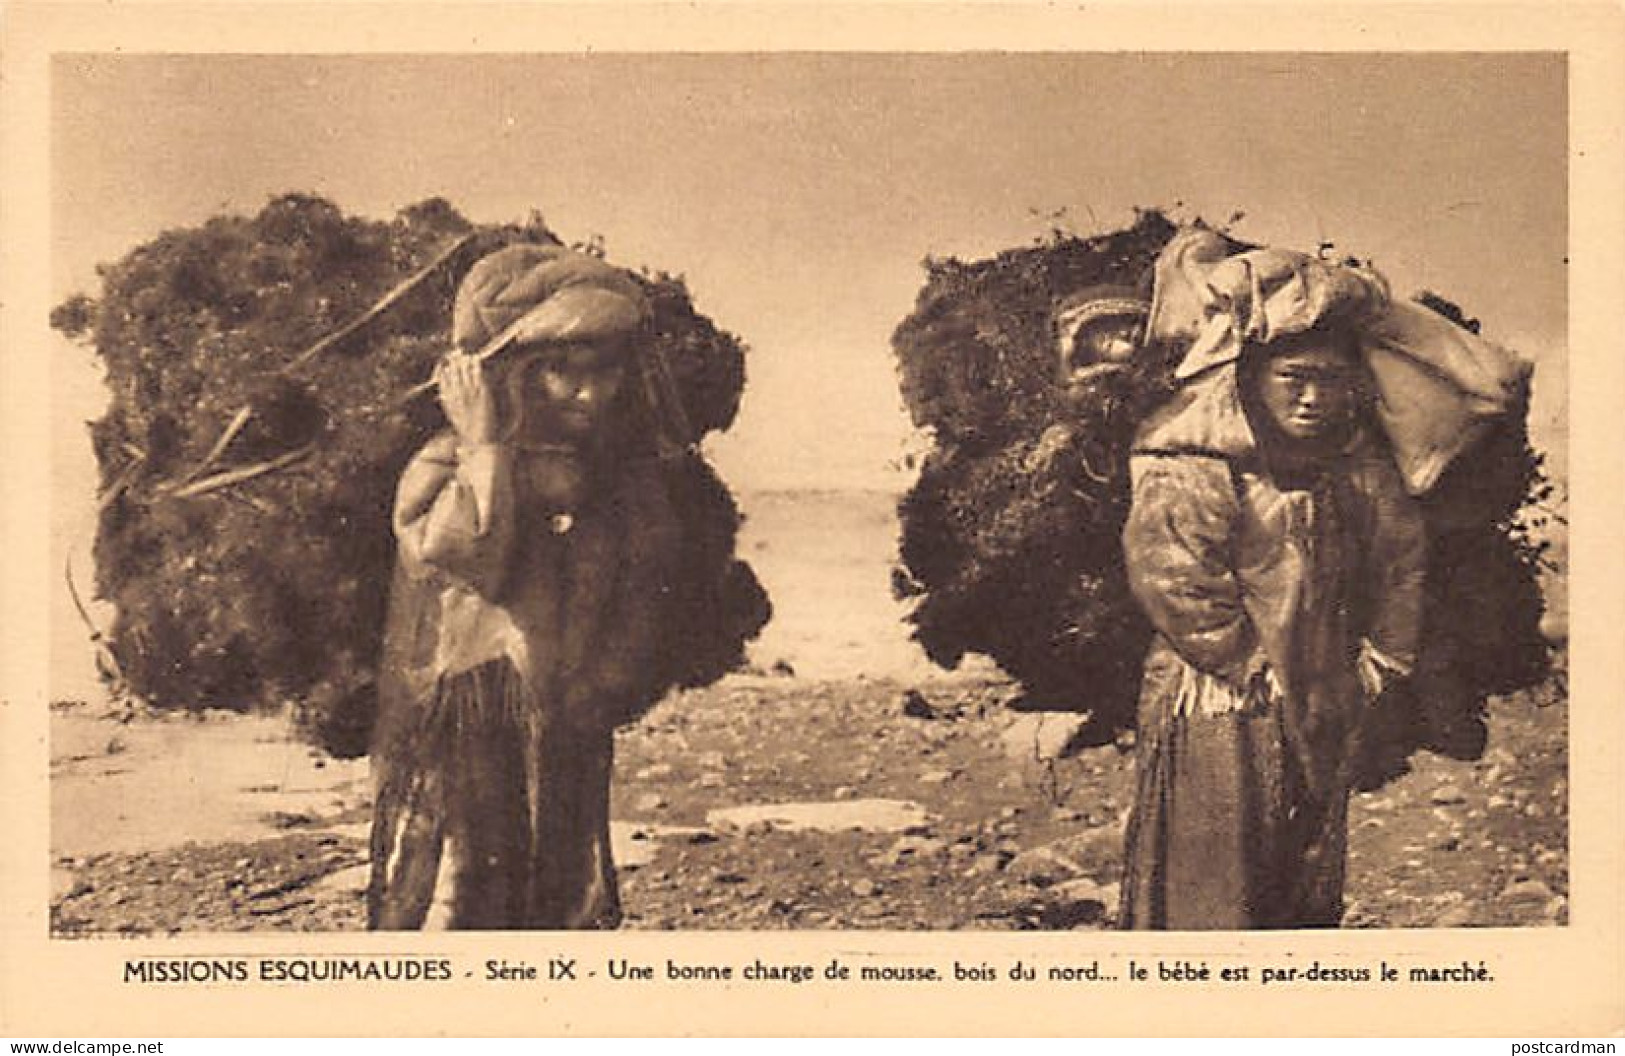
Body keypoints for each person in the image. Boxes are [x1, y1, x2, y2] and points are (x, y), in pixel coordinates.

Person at [367, 244, 683, 930]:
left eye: (605, 376)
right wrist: (484, 447)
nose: (588, 393)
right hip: (475, 713)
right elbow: (465, 554)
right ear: (505, 375)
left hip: (567, 712)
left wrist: (608, 679)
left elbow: (643, 580)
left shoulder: (612, 475)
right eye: (561, 375)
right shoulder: (445, 463)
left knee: (565, 883)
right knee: (467, 889)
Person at [1117, 320, 1427, 929]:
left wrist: (1385, 657)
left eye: (1331, 380)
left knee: (1303, 864)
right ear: (1251, 380)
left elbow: (1402, 562)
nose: (1313, 397)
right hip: (1217, 696)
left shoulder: (1359, 468)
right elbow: (1173, 577)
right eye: (1294, 378)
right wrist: (1251, 663)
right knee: (1212, 869)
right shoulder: (1193, 464)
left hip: (1325, 692)